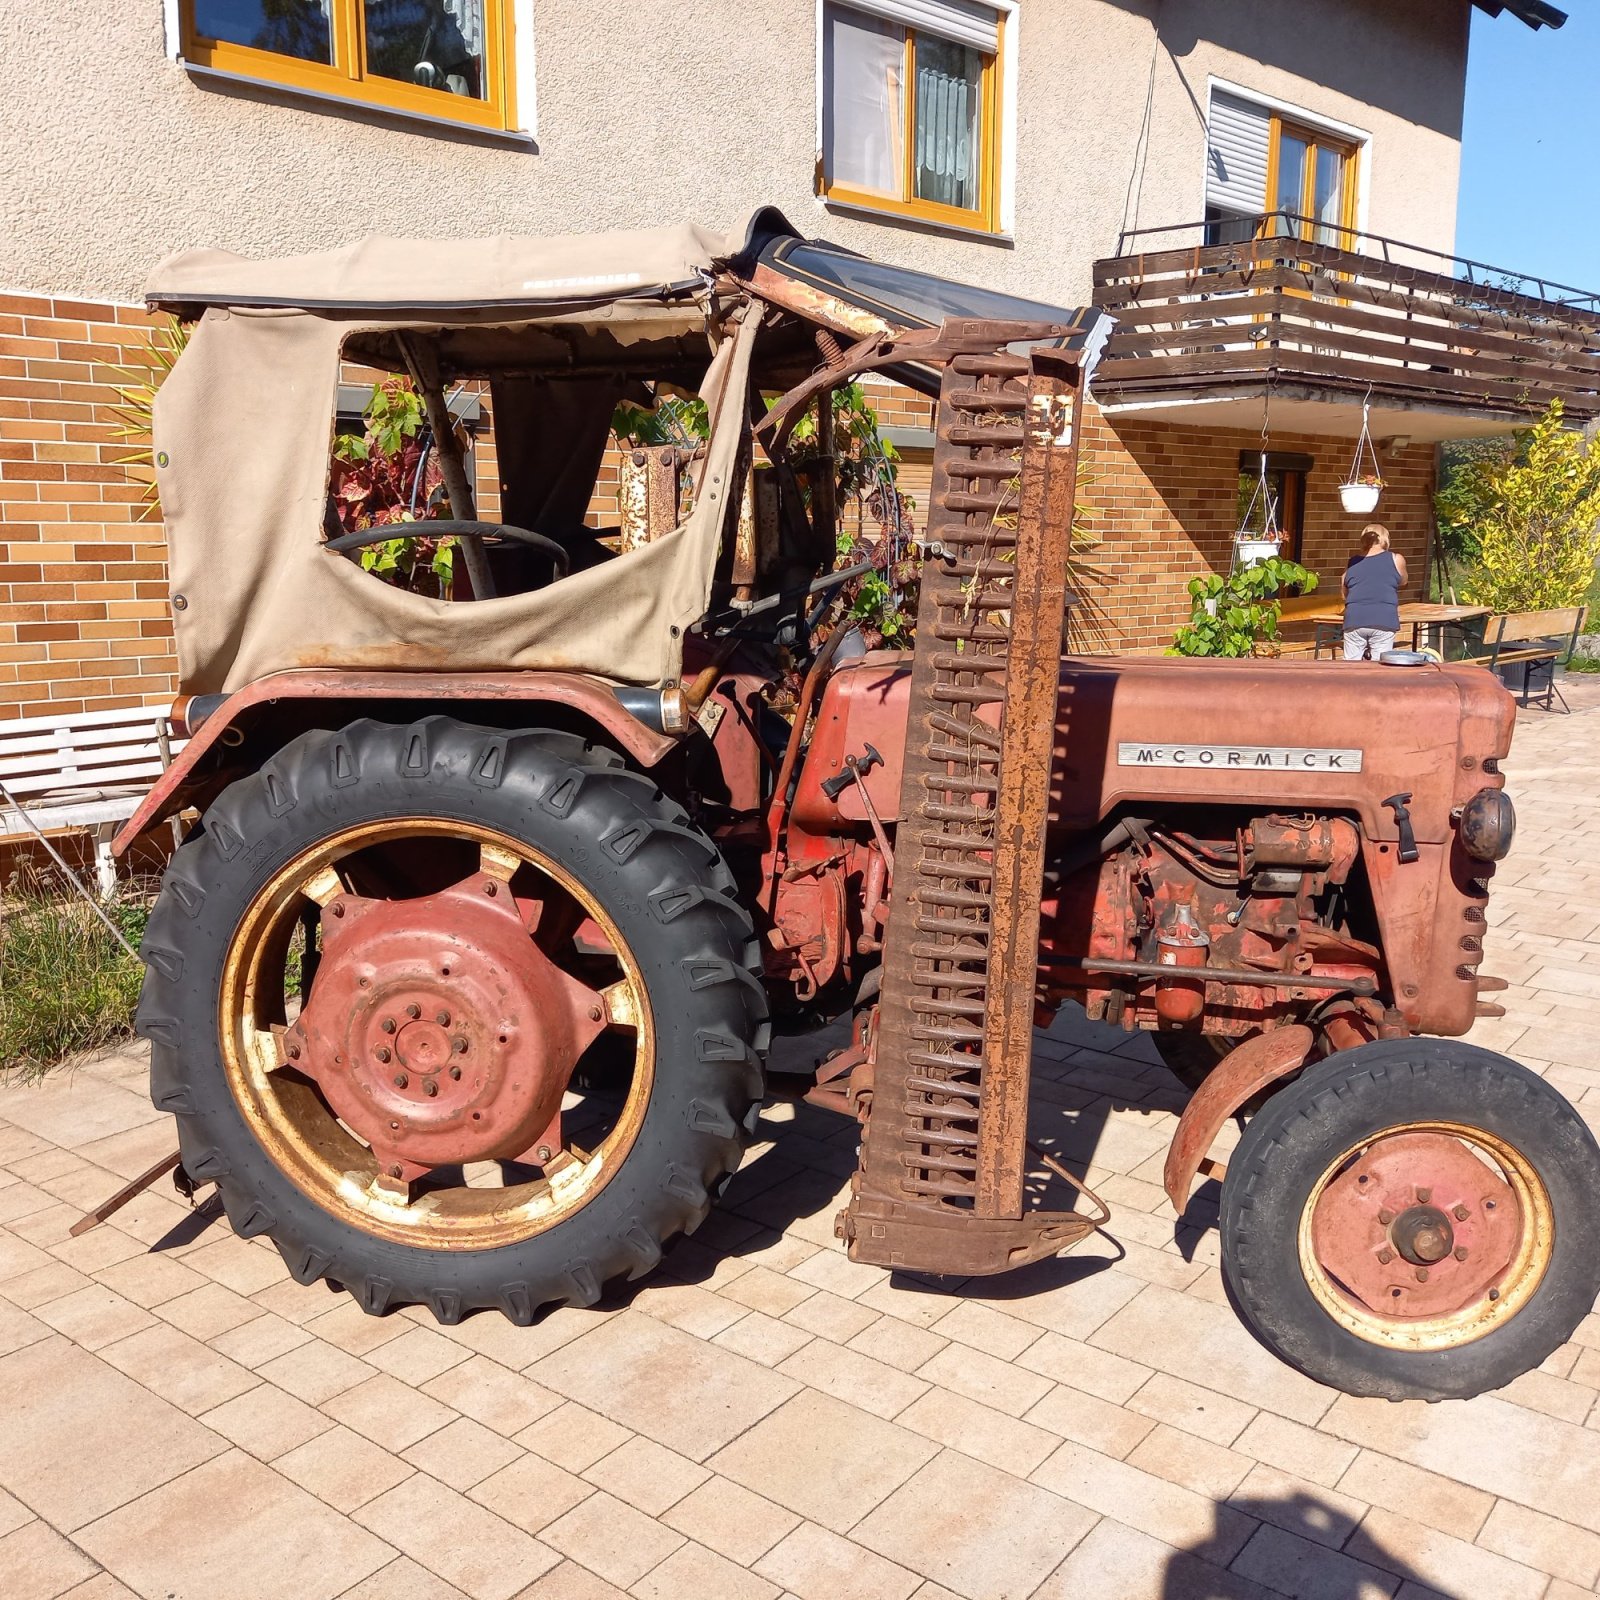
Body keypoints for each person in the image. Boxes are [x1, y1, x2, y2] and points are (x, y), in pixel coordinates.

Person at [1341, 523, 1406, 660]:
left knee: (1350, 666)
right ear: (1385, 539)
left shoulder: (1353, 562)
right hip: (1384, 619)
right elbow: (1403, 581)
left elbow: (1344, 592)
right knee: (1379, 666)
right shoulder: (1396, 559)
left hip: (1354, 619)